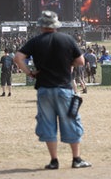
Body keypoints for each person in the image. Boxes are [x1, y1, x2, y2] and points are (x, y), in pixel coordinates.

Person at [14, 10, 92, 169]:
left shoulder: (35, 41)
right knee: (70, 120)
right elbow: (81, 61)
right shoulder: (67, 39)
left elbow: (18, 58)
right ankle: (76, 159)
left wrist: (30, 73)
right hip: (64, 87)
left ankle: (54, 160)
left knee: (47, 123)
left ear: (41, 26)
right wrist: (69, 64)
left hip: (44, 88)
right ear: (56, 25)